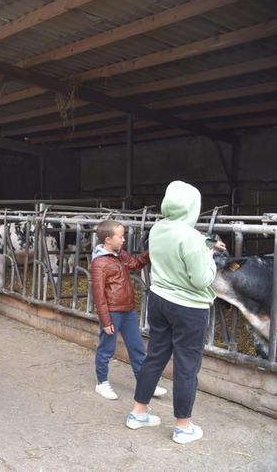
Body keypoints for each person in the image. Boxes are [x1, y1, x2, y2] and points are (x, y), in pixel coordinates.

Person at [126, 181, 226, 445]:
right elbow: (200, 279)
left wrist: (206, 245)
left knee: (155, 356)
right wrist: (211, 259)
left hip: (159, 300)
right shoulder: (191, 237)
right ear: (193, 206)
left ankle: (138, 413)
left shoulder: (158, 228)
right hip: (189, 308)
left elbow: (177, 243)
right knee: (186, 367)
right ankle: (183, 427)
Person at [90, 220, 166, 401]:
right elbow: (98, 295)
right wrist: (105, 320)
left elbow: (136, 263)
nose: (124, 240)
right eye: (120, 236)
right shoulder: (99, 263)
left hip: (128, 310)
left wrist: (153, 250)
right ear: (108, 239)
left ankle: (145, 383)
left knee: (137, 348)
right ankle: (101, 383)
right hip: (113, 312)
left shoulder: (120, 255)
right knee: (106, 349)